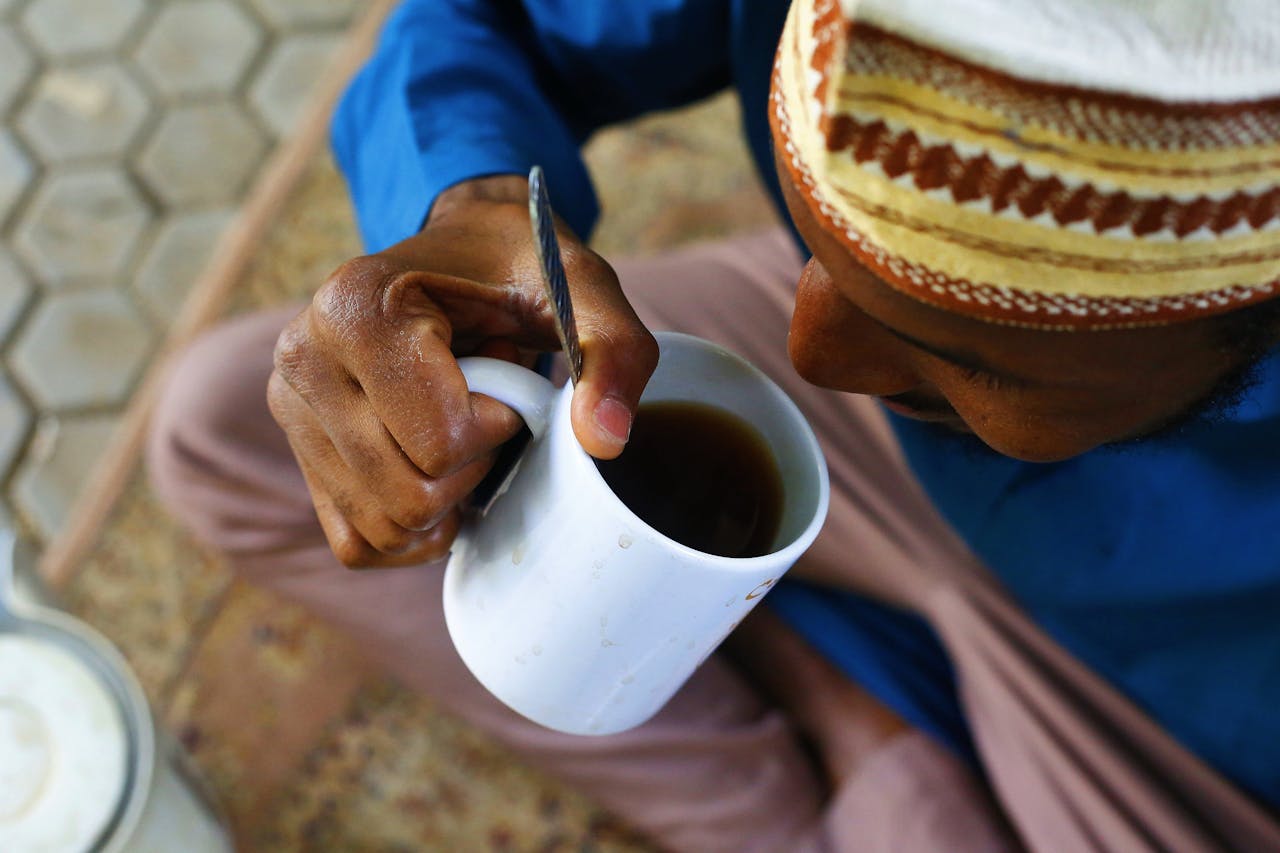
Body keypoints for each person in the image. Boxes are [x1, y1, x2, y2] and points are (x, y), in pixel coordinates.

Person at [148, 0, 1280, 849]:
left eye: (961, 343)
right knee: (235, 424)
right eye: (822, 238)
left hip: (1173, 691)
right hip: (904, 453)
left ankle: (861, 739)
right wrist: (470, 207)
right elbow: (485, 22)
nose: (804, 359)